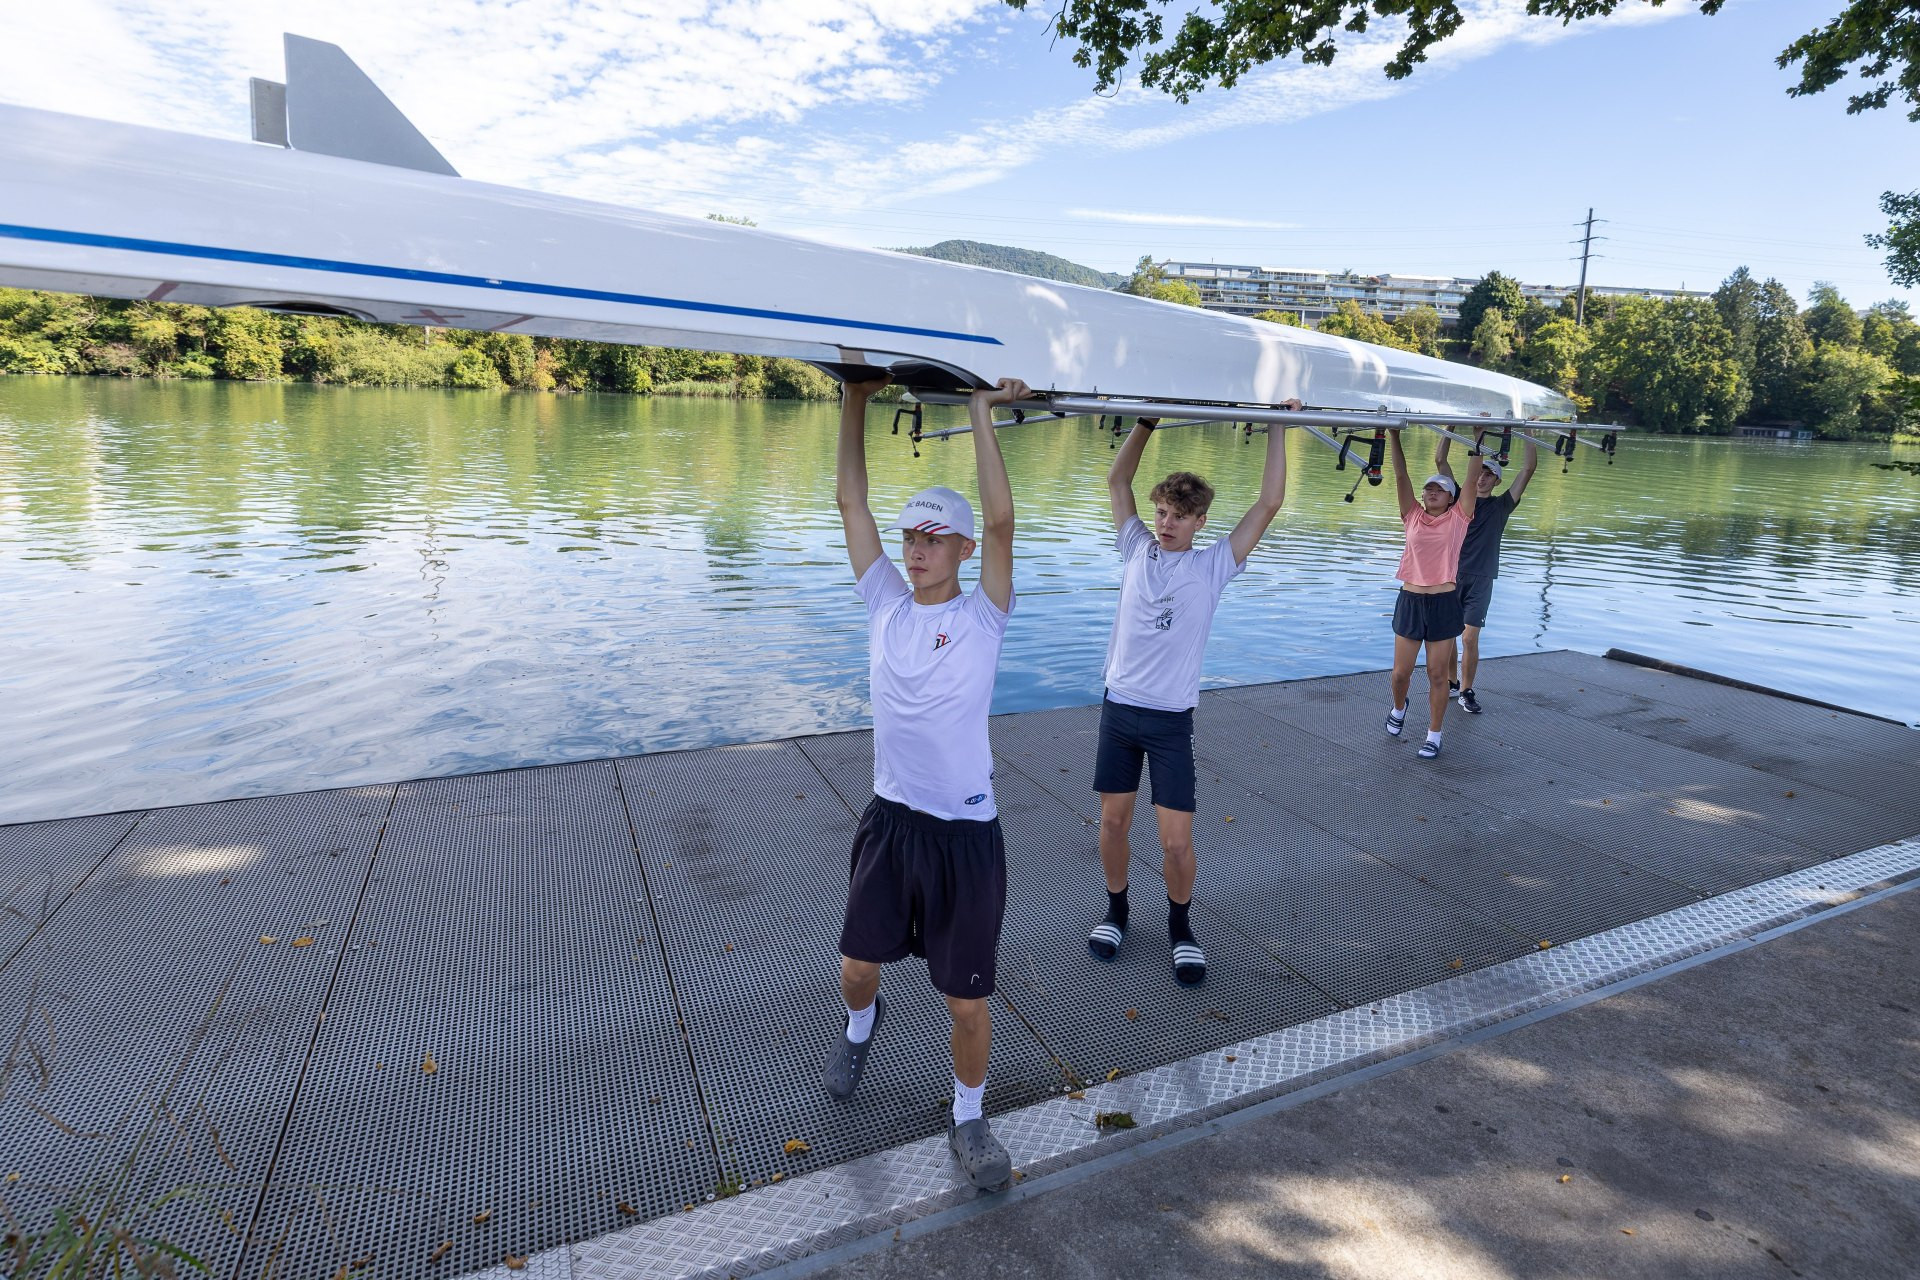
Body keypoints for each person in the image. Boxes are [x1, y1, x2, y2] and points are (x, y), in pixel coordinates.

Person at [821, 372, 1025, 1194]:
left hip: (963, 836)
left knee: (965, 1004)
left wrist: (980, 412)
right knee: (854, 969)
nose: (915, 549)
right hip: (891, 823)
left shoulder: (982, 616)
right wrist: (856, 396)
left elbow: (1004, 520)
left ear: (965, 550)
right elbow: (850, 503)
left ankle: (969, 1117)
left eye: (935, 539)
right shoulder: (885, 605)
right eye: (911, 536)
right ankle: (861, 1025)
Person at [1086, 400, 1300, 986]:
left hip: (1169, 722)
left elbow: (1269, 502)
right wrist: (1147, 419)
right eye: (1161, 512)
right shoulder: (1135, 547)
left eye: (1179, 516)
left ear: (1200, 522)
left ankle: (1181, 927)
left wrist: (1278, 425)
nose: (1166, 523)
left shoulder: (1213, 567)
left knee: (1176, 843)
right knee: (1113, 824)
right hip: (1119, 711)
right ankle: (1117, 911)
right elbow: (1117, 481)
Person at [1383, 430, 1482, 759]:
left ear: (1452, 497)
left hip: (1443, 603)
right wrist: (1393, 435)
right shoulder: (1412, 515)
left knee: (1438, 674)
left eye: (1440, 489)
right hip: (1410, 601)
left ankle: (1434, 735)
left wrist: (1478, 439)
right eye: (1429, 488)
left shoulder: (1459, 519)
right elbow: (1400, 475)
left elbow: (1471, 479)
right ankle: (1399, 708)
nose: (1432, 492)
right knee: (1401, 673)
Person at [1435, 433, 1537, 714]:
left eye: (1488, 475)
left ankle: (1466, 691)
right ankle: (1453, 682)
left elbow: (1528, 469)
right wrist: (1451, 427)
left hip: (1481, 579)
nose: (1481, 478)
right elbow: (1441, 460)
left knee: (1469, 637)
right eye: (1479, 472)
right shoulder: (1458, 499)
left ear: (1497, 481)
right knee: (1448, 635)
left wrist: (1528, 433)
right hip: (1451, 575)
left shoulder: (1502, 505)